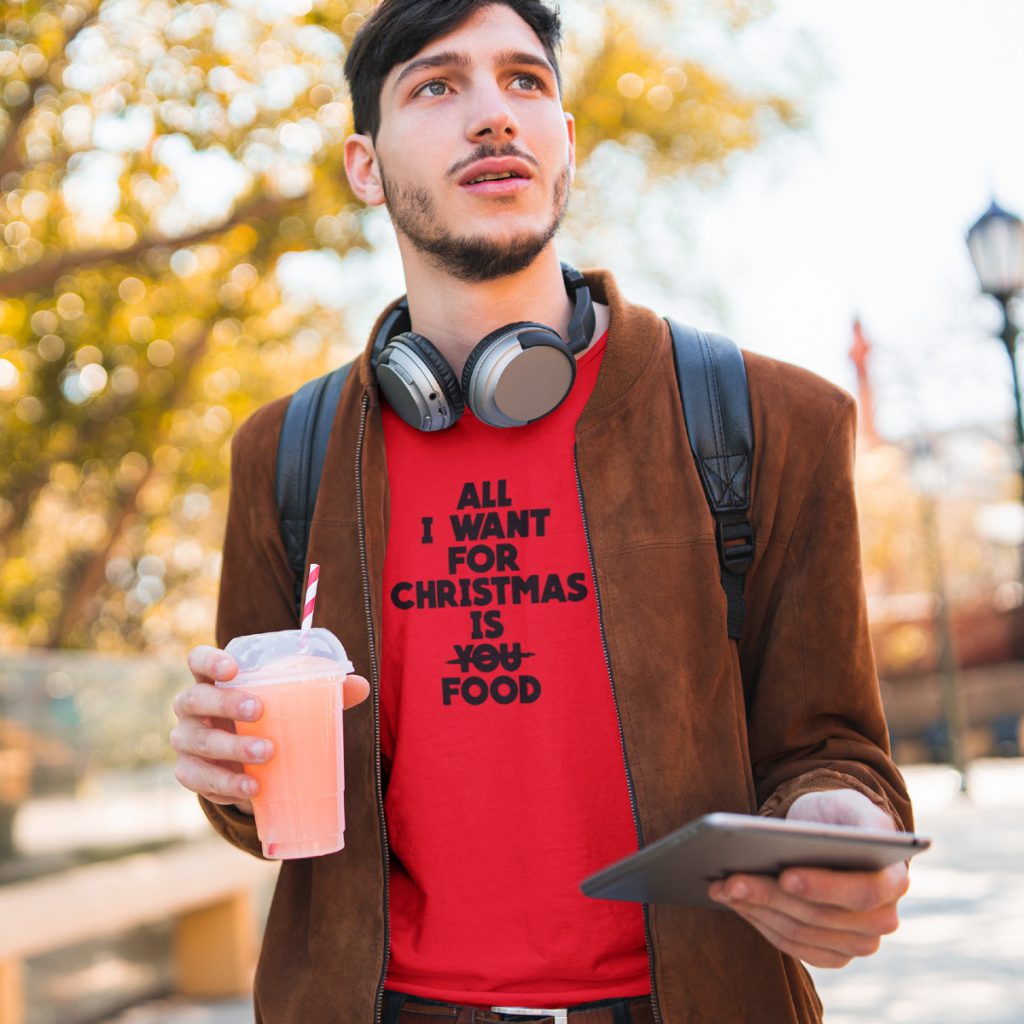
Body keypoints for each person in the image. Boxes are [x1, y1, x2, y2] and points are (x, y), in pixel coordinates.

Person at [170, 2, 914, 1022]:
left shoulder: (767, 419)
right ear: (364, 165)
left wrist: (841, 818)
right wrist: (225, 771)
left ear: (567, 144)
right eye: (437, 85)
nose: (494, 115)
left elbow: (833, 747)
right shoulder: (286, 452)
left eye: (525, 81)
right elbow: (267, 804)